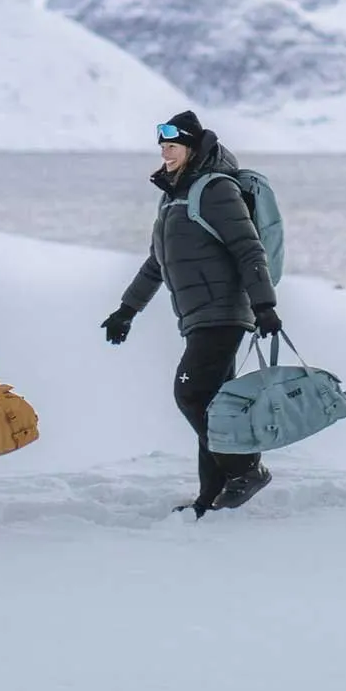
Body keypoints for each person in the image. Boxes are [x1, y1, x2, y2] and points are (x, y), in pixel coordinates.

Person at [101, 111, 282, 518]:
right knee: (214, 403)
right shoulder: (174, 196)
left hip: (223, 312)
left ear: (193, 149)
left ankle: (246, 469)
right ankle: (210, 498)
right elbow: (157, 262)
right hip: (197, 314)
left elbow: (248, 248)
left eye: (174, 147)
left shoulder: (216, 189)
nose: (166, 154)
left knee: (192, 393)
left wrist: (264, 305)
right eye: (163, 147)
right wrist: (126, 310)